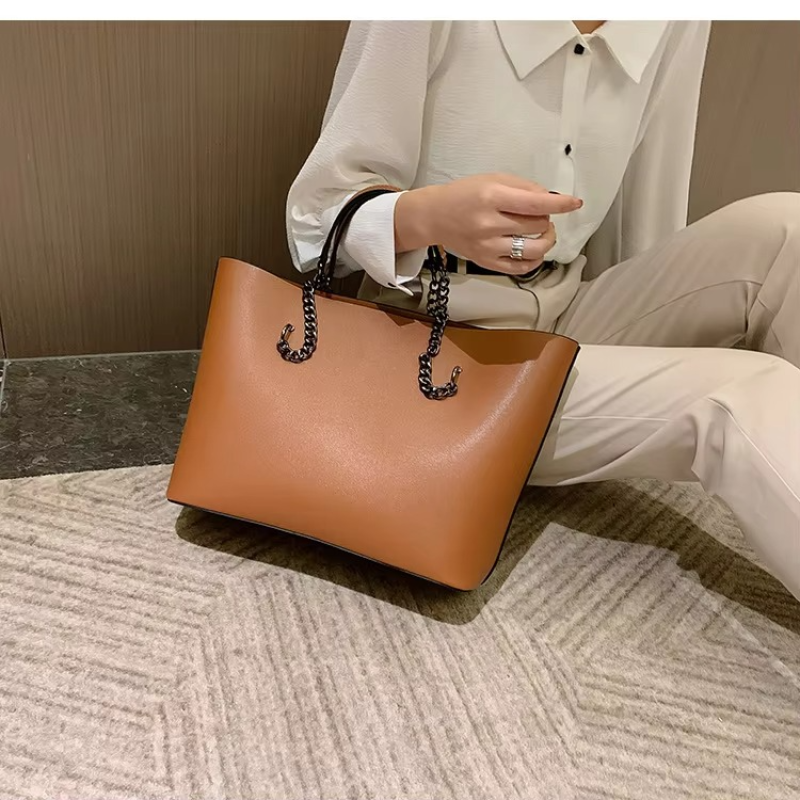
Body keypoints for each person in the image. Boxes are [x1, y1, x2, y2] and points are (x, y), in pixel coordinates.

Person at [286, 21, 800, 600]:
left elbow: (648, 205)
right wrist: (430, 216)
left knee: (789, 230)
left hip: (569, 309)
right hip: (428, 343)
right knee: (745, 394)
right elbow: (314, 221)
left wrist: (645, 382)